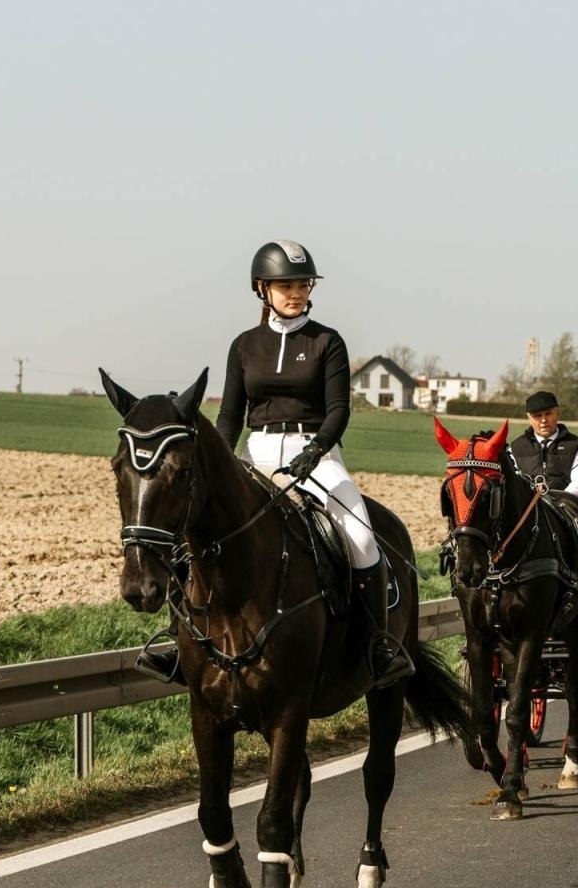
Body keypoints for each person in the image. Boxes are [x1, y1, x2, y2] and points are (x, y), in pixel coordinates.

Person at [140, 240, 411, 687]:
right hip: (257, 454)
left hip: (315, 453)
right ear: (262, 288)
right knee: (192, 536)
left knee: (362, 537)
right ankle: (179, 643)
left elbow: (339, 409)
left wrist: (316, 449)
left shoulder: (327, 341)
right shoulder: (244, 346)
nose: (297, 292)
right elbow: (228, 416)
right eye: (286, 285)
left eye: (303, 284)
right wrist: (220, 463)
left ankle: (378, 645)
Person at [509, 390, 578, 502]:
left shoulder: (576, 446)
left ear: (558, 413)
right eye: (537, 416)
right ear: (529, 418)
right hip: (527, 508)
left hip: (565, 509)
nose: (544, 420)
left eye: (548, 414)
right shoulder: (516, 448)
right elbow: (512, 483)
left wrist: (559, 501)